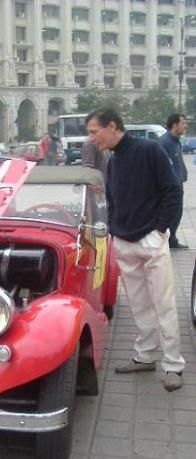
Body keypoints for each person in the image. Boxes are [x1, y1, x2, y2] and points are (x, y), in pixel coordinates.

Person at [86, 107, 185, 391]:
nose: (92, 139)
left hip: (150, 240)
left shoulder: (150, 150)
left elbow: (172, 190)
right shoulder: (113, 161)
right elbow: (114, 198)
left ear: (112, 126)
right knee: (139, 304)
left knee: (163, 303)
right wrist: (115, 230)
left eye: (95, 132)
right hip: (125, 241)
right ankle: (145, 356)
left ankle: (173, 365)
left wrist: (161, 230)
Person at [159, 113, 188, 249]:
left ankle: (172, 240)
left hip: (178, 184)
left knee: (177, 214)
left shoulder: (176, 141)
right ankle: (169, 241)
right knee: (172, 214)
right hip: (170, 187)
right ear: (175, 125)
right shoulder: (165, 142)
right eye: (183, 122)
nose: (185, 125)